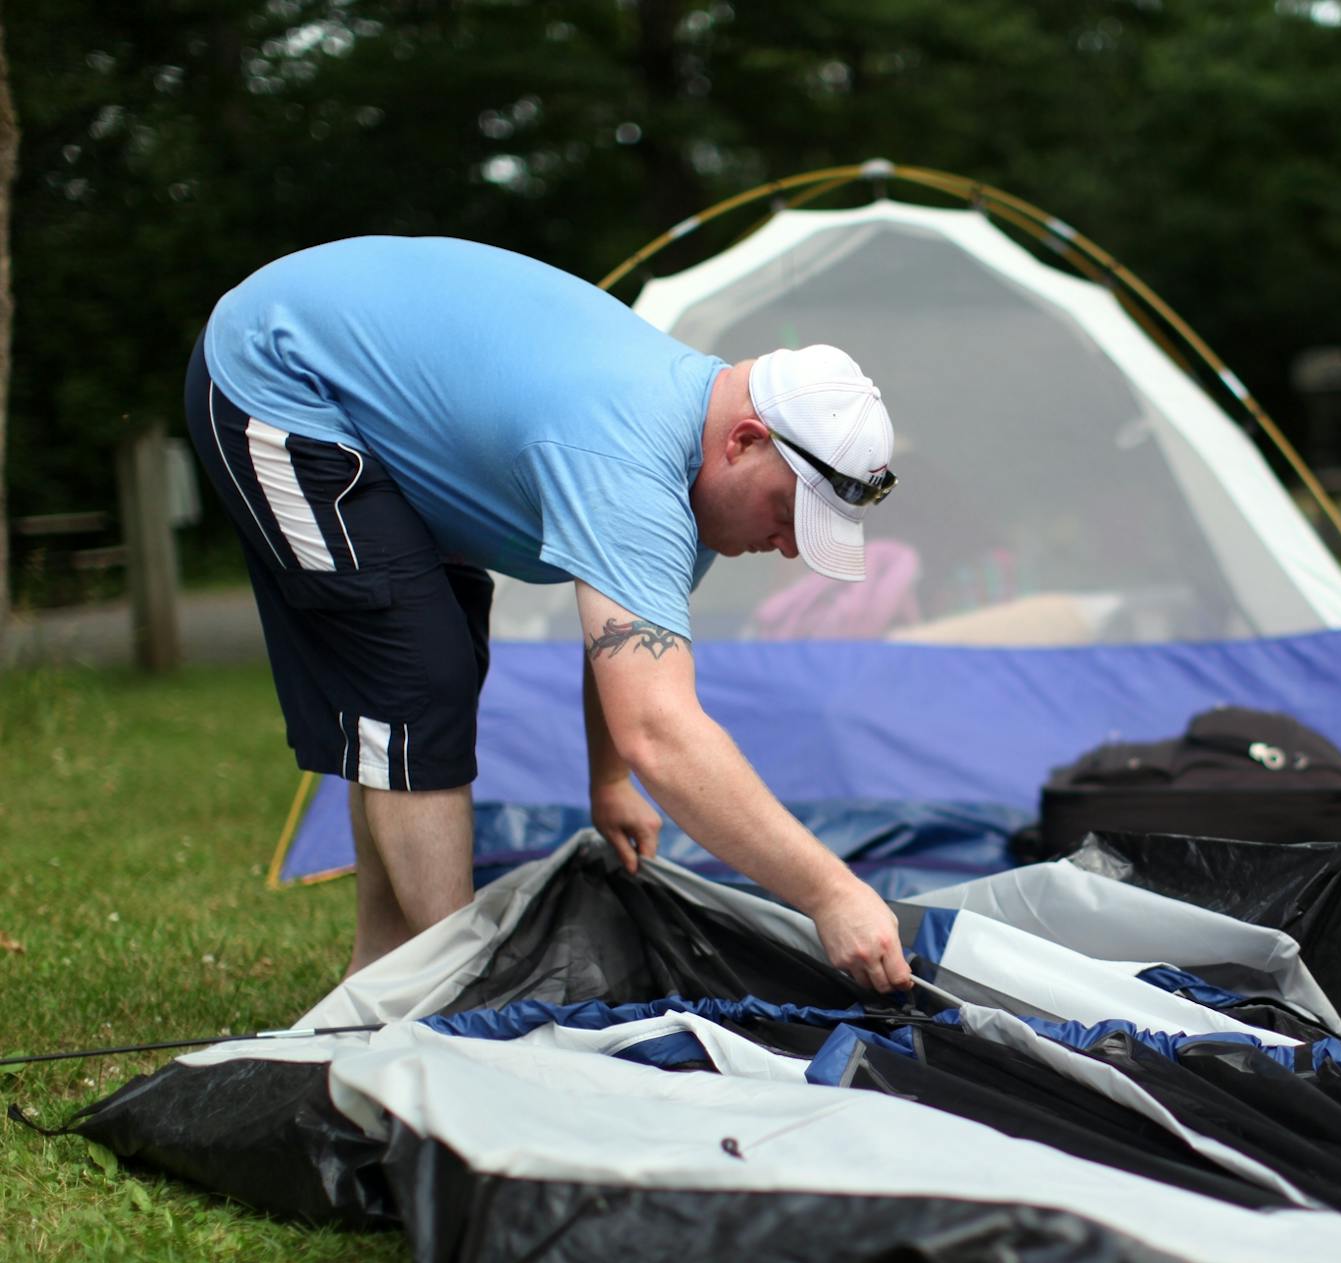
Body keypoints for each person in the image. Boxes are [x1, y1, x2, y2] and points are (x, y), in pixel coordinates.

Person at [184, 235, 913, 993]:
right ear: (746, 441)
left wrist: (609, 782)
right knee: (416, 678)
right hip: (281, 375)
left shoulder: (693, 468)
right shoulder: (630, 458)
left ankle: (381, 974)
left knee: (427, 675)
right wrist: (834, 893)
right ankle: (453, 997)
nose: (791, 549)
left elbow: (627, 654)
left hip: (374, 405)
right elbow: (661, 730)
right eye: (790, 514)